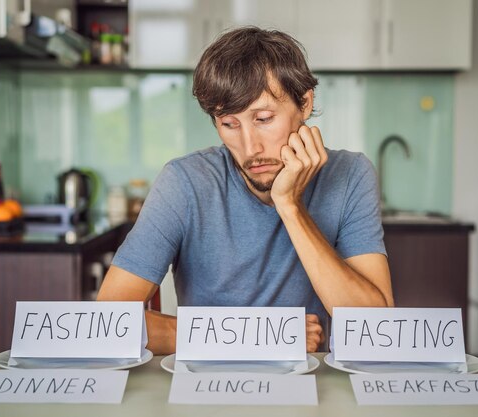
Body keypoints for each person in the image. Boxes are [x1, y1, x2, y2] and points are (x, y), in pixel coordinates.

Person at [97, 26, 394, 354]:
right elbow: (109, 323)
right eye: (229, 124)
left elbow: (375, 328)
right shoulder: (184, 182)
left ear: (305, 103)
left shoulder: (350, 175)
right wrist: (260, 336)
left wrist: (290, 206)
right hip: (205, 386)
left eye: (264, 118)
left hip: (309, 389)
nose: (250, 147)